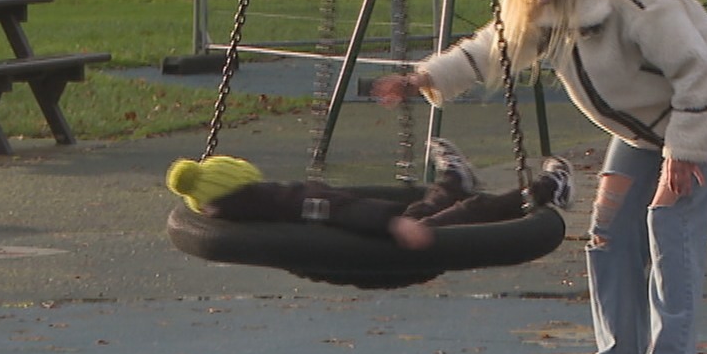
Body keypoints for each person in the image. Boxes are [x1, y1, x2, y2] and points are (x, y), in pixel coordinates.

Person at [371, 0, 707, 354]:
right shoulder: (546, 9)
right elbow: (489, 49)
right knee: (609, 231)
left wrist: (685, 150)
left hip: (700, 110)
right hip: (638, 131)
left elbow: (695, 69)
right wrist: (421, 79)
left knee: (670, 226)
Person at [166, 139, 573, 251]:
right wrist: (390, 223)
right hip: (368, 248)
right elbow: (335, 208)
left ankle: (457, 181)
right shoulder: (274, 201)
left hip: (357, 244)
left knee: (426, 211)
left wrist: (392, 221)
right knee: (466, 212)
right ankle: (546, 189)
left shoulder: (238, 208)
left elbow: (334, 209)